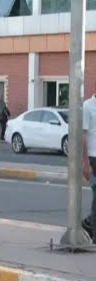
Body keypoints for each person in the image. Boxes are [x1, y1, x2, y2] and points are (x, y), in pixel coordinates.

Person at [82, 94, 96, 243]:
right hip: (93, 158)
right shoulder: (88, 106)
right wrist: (85, 162)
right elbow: (83, 135)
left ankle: (87, 224)